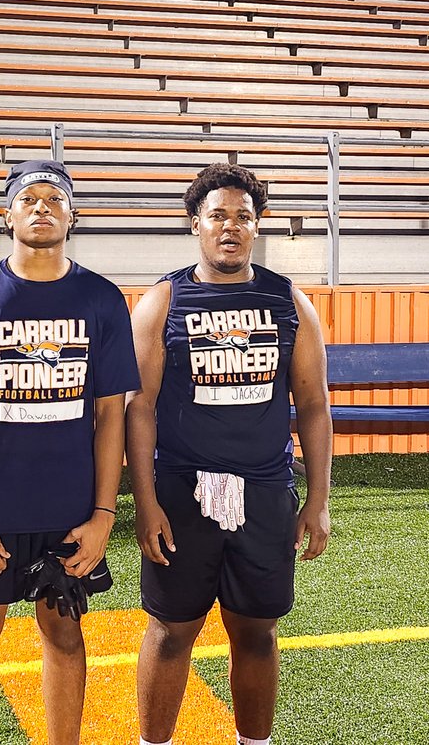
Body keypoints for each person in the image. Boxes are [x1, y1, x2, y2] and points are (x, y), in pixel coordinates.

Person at [0, 159, 140, 745]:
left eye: (54, 199)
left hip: (70, 513)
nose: (41, 207)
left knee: (65, 636)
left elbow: (110, 417)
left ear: (73, 216)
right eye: (28, 199)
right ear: (8, 216)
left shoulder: (101, 299)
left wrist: (103, 516)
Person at [125, 162, 333, 745]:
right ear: (196, 223)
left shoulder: (288, 300)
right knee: (171, 631)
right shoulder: (163, 301)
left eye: (244, 216)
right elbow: (138, 408)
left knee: (258, 633)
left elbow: (314, 405)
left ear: (257, 226)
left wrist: (318, 501)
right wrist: (145, 502)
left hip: (265, 494)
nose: (231, 226)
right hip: (182, 495)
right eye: (218, 215)